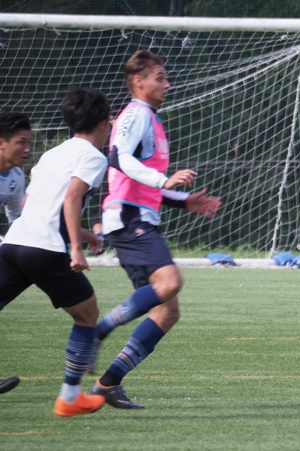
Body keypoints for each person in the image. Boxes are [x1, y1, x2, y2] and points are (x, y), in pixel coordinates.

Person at [89, 50, 221, 409]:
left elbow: (143, 182)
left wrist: (185, 201)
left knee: (167, 311)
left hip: (140, 218)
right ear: (138, 82)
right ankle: (98, 331)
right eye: (159, 77)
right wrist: (165, 180)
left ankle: (107, 383)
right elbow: (119, 157)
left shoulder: (152, 119)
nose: (167, 84)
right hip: (128, 219)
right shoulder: (136, 113)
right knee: (170, 282)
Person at [0, 87, 110, 415]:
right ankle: (70, 397)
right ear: (102, 123)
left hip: (13, 244)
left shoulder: (52, 154)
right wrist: (76, 248)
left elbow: (33, 204)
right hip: (44, 249)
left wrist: (85, 235)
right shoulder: (94, 156)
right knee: (87, 315)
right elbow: (72, 198)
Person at [0, 112, 31, 395]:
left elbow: (16, 220)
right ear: (2, 143)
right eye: (21, 142)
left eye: (28, 143)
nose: (27, 149)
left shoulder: (16, 177)